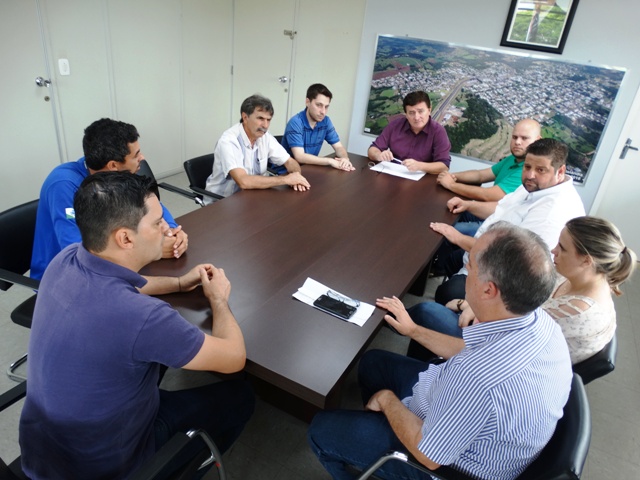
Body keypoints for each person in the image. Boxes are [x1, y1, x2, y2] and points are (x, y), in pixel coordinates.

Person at [19, 172, 254, 479]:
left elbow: (126, 286)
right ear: (125, 237)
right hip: (108, 466)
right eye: (157, 223)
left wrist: (180, 283)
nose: (167, 228)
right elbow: (234, 357)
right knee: (243, 396)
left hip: (44, 452)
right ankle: (182, 467)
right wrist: (218, 298)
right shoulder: (142, 317)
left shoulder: (66, 259)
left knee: (153, 362)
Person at [308, 223, 572, 479]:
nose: (466, 270)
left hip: (445, 463)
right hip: (445, 404)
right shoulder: (543, 325)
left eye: (470, 267)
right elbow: (466, 350)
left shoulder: (476, 379)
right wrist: (412, 331)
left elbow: (429, 455)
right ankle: (373, 438)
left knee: (320, 429)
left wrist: (388, 401)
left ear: (489, 290)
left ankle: (372, 457)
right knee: (373, 363)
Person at [406, 216, 637, 363]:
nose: (554, 251)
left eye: (563, 248)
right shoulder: (584, 281)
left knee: (425, 313)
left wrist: (470, 306)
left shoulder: (577, 311)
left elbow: (507, 336)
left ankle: (423, 379)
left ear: (587, 260)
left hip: (500, 357)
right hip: (506, 340)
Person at [430, 138, 585, 304]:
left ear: (560, 171)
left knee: (443, 295)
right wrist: (469, 205)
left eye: (541, 170)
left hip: (503, 278)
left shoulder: (552, 212)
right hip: (485, 254)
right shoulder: (535, 186)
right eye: (527, 167)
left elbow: (513, 259)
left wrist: (458, 238)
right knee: (449, 258)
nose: (531, 175)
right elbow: (503, 207)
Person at [30, 118, 188, 280]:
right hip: (64, 275)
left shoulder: (118, 175)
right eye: (136, 155)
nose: (142, 158)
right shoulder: (63, 185)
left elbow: (152, 207)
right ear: (113, 165)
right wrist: (156, 247)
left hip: (119, 260)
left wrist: (173, 233)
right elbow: (79, 250)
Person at [436, 118, 541, 237]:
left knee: (445, 230)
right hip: (487, 212)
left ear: (538, 140)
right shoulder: (512, 159)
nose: (517, 142)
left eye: (524, 138)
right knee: (443, 213)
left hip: (497, 225)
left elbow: (487, 195)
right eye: (515, 137)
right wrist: (452, 176)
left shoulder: (527, 171)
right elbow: (480, 175)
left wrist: (451, 185)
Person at [205, 94, 310, 199]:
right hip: (223, 202)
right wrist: (285, 179)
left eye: (268, 120)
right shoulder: (229, 141)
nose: (265, 125)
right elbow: (243, 181)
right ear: (245, 117)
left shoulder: (265, 137)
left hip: (252, 197)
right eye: (260, 118)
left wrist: (297, 178)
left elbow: (290, 161)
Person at [367, 91, 451, 174]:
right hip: (393, 174)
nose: (417, 117)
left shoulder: (438, 131)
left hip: (422, 180)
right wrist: (379, 155)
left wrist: (420, 166)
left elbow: (444, 166)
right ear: (406, 114)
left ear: (429, 110)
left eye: (421, 111)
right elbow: (372, 149)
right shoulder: (395, 125)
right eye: (411, 113)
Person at [281, 83, 354, 171]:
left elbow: (339, 147)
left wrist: (345, 159)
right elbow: (300, 156)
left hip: (308, 168)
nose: (323, 111)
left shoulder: (325, 121)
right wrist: (329, 161)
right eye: (319, 105)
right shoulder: (295, 122)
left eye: (326, 107)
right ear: (307, 102)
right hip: (287, 172)